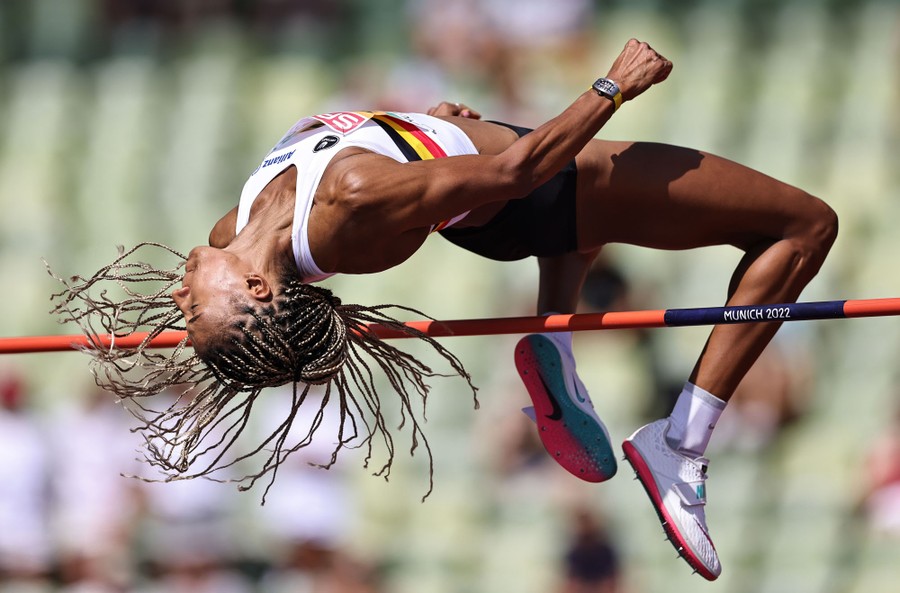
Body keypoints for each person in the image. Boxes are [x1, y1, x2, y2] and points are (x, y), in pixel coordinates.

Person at [50, 39, 838, 581]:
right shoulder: (347, 210)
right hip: (540, 185)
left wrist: (436, 129)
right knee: (806, 225)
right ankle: (683, 447)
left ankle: (554, 347)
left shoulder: (235, 223)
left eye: (184, 311)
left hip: (504, 184)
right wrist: (613, 85)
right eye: (199, 314)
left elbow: (378, 148)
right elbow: (523, 174)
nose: (181, 298)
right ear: (258, 292)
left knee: (582, 226)